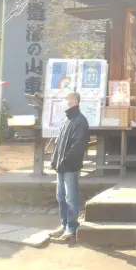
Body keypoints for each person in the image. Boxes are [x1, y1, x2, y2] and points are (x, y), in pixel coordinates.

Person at [49, 92, 90, 242]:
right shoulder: (67, 119)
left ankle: (71, 227)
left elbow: (78, 146)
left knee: (70, 197)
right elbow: (59, 143)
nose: (67, 103)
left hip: (70, 166)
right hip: (61, 165)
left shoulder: (80, 121)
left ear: (76, 102)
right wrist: (55, 160)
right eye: (66, 100)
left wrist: (65, 161)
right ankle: (64, 223)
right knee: (60, 197)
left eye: (69, 100)